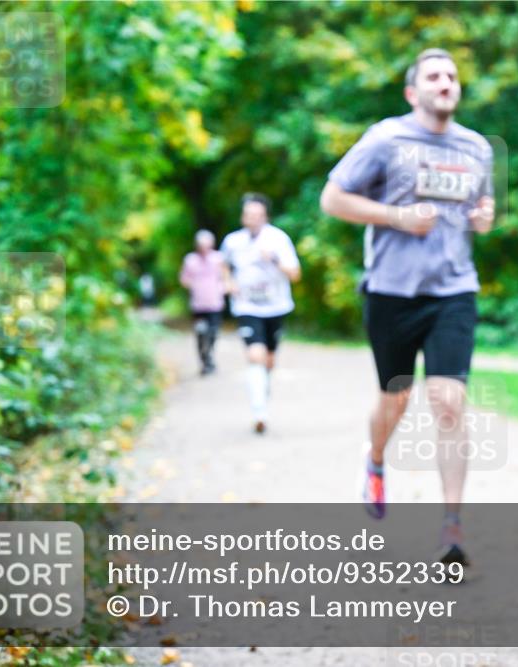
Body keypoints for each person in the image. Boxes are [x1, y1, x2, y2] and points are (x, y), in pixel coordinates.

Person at [320, 48, 495, 566]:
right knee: (395, 399)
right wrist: (395, 217)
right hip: (391, 291)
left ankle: (452, 527)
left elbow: (476, 212)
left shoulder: (476, 148)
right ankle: (375, 461)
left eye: (452, 75)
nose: (445, 82)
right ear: (412, 92)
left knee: (448, 401)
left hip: (453, 290)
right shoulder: (385, 138)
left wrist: (483, 217)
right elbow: (332, 199)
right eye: (434, 76)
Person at [220, 193, 301, 434]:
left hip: (276, 307)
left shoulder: (278, 239)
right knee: (255, 355)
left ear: (265, 216)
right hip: (247, 307)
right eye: (248, 214)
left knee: (268, 361)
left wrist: (274, 259)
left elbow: (295, 274)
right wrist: (228, 282)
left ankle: (261, 392)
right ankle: (259, 411)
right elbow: (223, 264)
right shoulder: (233, 241)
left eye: (257, 215)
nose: (252, 218)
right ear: (243, 217)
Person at [179, 230, 228, 376]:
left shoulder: (218, 258)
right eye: (201, 245)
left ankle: (209, 357)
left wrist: (223, 287)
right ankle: (205, 361)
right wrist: (193, 284)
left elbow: (226, 276)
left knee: (213, 333)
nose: (204, 248)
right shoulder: (190, 260)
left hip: (215, 304)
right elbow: (184, 279)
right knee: (201, 332)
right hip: (198, 305)